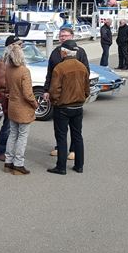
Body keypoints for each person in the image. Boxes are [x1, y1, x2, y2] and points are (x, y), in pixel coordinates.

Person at [43, 25, 89, 161]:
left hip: (74, 94)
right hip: (60, 94)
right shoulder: (55, 52)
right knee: (60, 129)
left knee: (75, 129)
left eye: (65, 36)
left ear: (72, 37)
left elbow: (86, 74)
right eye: (61, 36)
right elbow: (50, 72)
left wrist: (83, 94)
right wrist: (46, 90)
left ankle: (73, 150)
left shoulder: (80, 52)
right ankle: (60, 148)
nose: (62, 38)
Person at [3, 43, 39, 175]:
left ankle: (8, 161)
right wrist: (35, 104)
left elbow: (7, 88)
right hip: (23, 107)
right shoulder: (24, 71)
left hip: (13, 105)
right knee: (22, 136)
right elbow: (28, 94)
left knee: (13, 134)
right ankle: (18, 163)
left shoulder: (8, 69)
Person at [0, 35, 21, 161]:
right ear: (10, 47)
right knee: (8, 125)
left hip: (13, 97)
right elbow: (2, 84)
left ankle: (9, 150)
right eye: (18, 45)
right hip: (7, 98)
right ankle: (1, 150)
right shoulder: (2, 63)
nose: (21, 47)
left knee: (13, 126)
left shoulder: (13, 61)